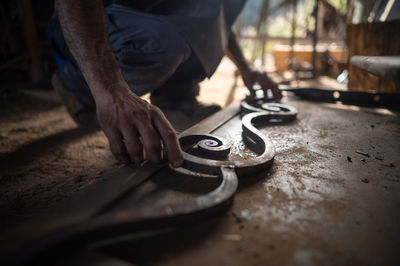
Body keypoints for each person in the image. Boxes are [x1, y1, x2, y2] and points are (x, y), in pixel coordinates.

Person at [51, 0, 282, 168]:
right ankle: (78, 85)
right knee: (162, 43)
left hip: (151, 19)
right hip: (89, 22)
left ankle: (175, 97)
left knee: (204, 21)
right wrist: (109, 90)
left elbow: (216, 21)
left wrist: (245, 67)